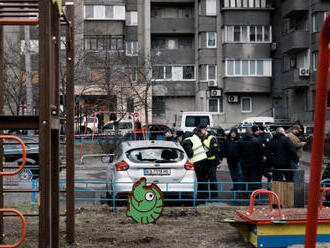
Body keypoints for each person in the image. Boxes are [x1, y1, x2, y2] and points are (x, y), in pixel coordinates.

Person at [177, 130, 209, 200]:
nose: (179, 140)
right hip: (204, 159)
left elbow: (190, 153)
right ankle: (205, 197)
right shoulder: (195, 137)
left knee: (198, 180)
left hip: (197, 162)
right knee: (204, 179)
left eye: (178, 139)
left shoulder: (186, 141)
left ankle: (200, 198)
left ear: (181, 137)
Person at [238, 128, 264, 192]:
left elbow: (237, 152)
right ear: (251, 132)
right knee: (253, 178)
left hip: (243, 162)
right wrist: (260, 160)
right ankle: (253, 193)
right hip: (254, 163)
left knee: (245, 177)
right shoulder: (256, 141)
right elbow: (260, 152)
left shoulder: (240, 141)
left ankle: (245, 191)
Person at [199, 124, 220, 198]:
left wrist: (203, 154)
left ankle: (214, 196)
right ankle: (206, 196)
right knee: (204, 179)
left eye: (201, 130)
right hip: (204, 161)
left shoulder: (212, 138)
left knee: (212, 179)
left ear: (205, 129)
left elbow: (214, 151)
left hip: (211, 162)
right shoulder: (202, 138)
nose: (200, 132)